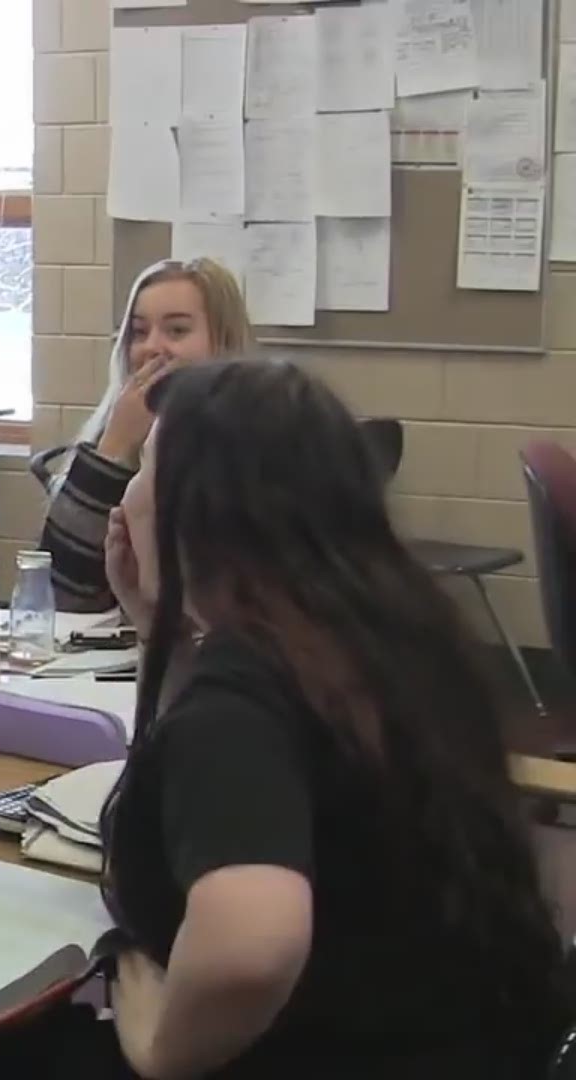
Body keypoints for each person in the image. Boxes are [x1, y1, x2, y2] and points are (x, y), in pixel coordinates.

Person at [91, 359, 569, 1076]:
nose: (128, 495)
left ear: (200, 511)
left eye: (148, 466)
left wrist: (163, 1051)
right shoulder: (394, 634)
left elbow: (251, 947)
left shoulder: (240, 699)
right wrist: (167, 628)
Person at [36, 258, 251, 612]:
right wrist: (113, 449)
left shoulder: (252, 445)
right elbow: (59, 592)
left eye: (177, 331)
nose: (152, 347)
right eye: (139, 332)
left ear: (222, 343)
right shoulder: (121, 427)